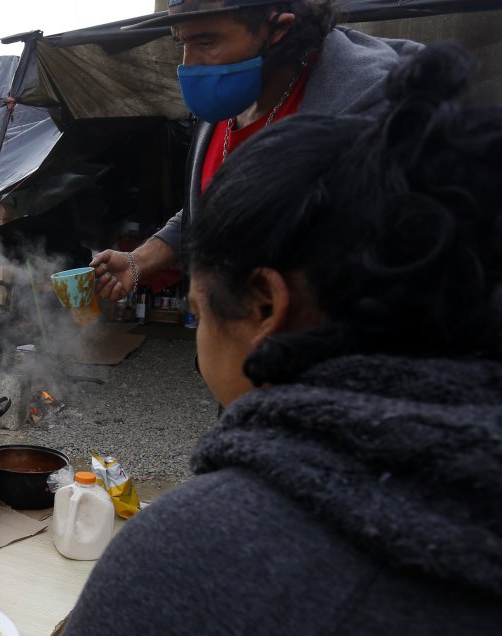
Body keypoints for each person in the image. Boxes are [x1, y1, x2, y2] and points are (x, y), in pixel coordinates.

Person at [64, 44, 502, 634]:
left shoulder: (189, 557)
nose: (192, 59)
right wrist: (143, 260)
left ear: (265, 305)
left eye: (197, 306)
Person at [90, 0, 423, 300]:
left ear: (279, 28)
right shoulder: (228, 99)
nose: (189, 63)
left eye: (207, 41)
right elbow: (212, 208)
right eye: (181, 42)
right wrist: (139, 260)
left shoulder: (370, 112)